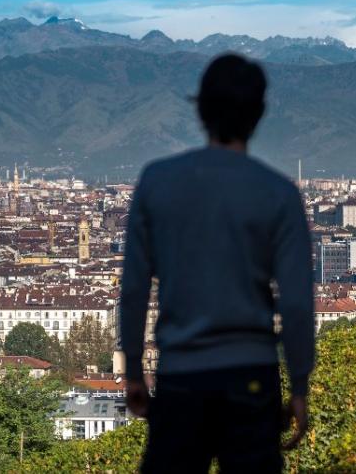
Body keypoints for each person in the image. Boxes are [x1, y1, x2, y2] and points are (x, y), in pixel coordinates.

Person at [119, 54, 315, 473]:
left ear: (200, 110)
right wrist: (299, 385)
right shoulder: (279, 194)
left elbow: (134, 288)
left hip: (181, 377)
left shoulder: (157, 181)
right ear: (258, 114)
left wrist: (134, 371)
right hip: (252, 376)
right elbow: (297, 304)